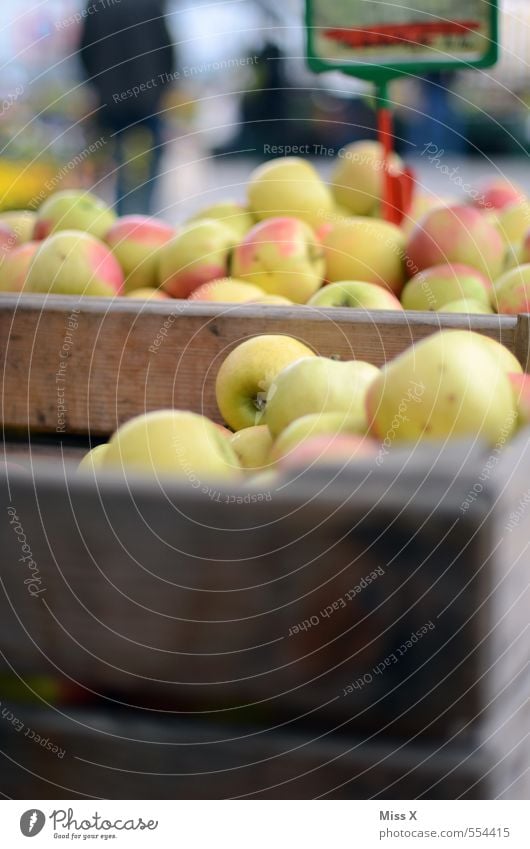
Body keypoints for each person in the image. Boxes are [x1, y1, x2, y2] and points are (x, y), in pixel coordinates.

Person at [79, 0, 176, 215]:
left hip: (109, 103)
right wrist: (161, 91)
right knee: (143, 172)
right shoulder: (151, 5)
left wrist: (96, 88)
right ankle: (141, 220)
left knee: (105, 169)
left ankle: (109, 222)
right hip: (147, 103)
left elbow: (85, 50)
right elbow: (168, 52)